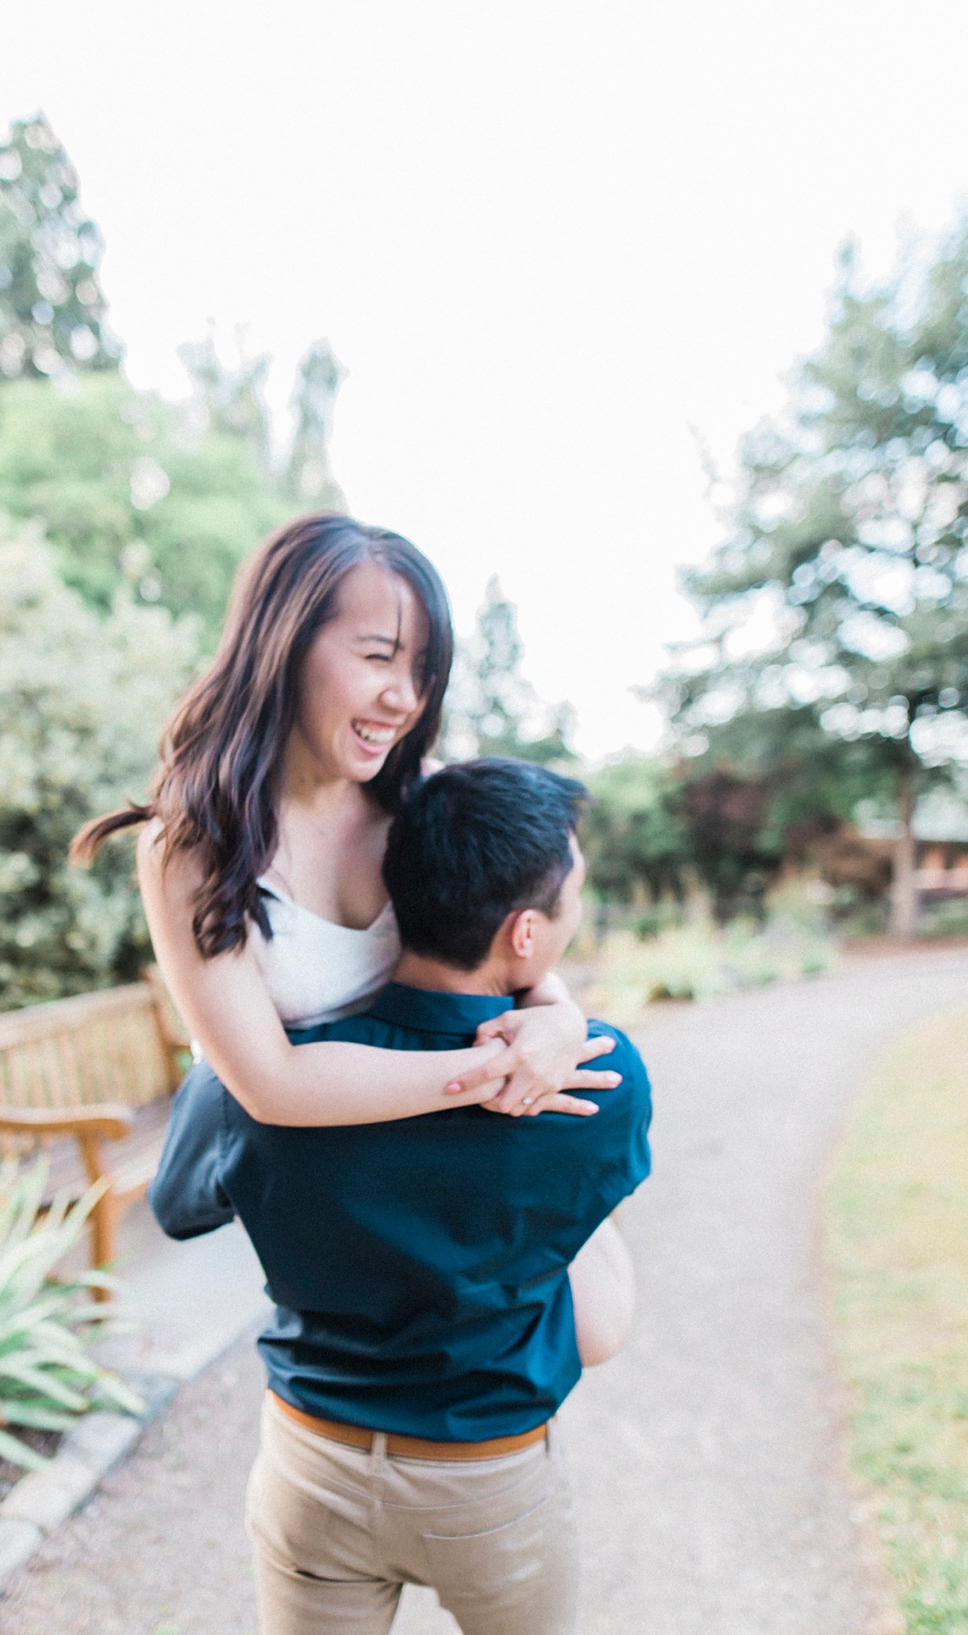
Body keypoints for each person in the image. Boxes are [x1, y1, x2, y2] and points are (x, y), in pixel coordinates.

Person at [152, 756, 652, 1635]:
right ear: (526, 931)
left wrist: (224, 1039)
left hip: (311, 1460)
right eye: (572, 892)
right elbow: (594, 1250)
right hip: (486, 1472)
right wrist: (559, 1017)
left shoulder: (284, 1069)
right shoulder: (599, 1075)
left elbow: (180, 1198)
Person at [75, 512, 632, 1356]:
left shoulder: (424, 798)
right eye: (378, 657)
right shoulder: (196, 841)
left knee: (591, 1322)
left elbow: (514, 946)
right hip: (327, 1172)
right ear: (285, 643)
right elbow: (272, 1083)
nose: (405, 699)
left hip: (442, 1144)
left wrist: (555, 1017)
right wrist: (493, 1071)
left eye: (423, 670)